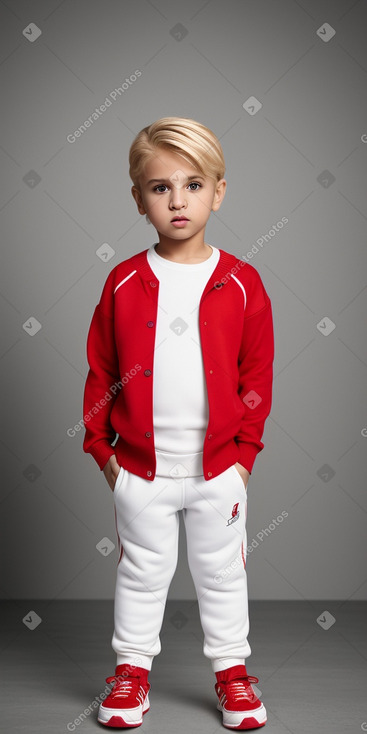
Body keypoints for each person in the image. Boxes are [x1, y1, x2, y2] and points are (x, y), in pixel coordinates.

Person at [83, 116, 274, 730]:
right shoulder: (125, 282)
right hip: (141, 468)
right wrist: (103, 454)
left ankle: (233, 675)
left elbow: (256, 379)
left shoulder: (242, 283)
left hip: (219, 467)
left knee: (222, 574)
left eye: (193, 184)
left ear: (219, 191)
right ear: (139, 199)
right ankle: (131, 673)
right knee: (141, 574)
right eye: (160, 188)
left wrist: (244, 457)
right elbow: (100, 370)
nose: (178, 200)